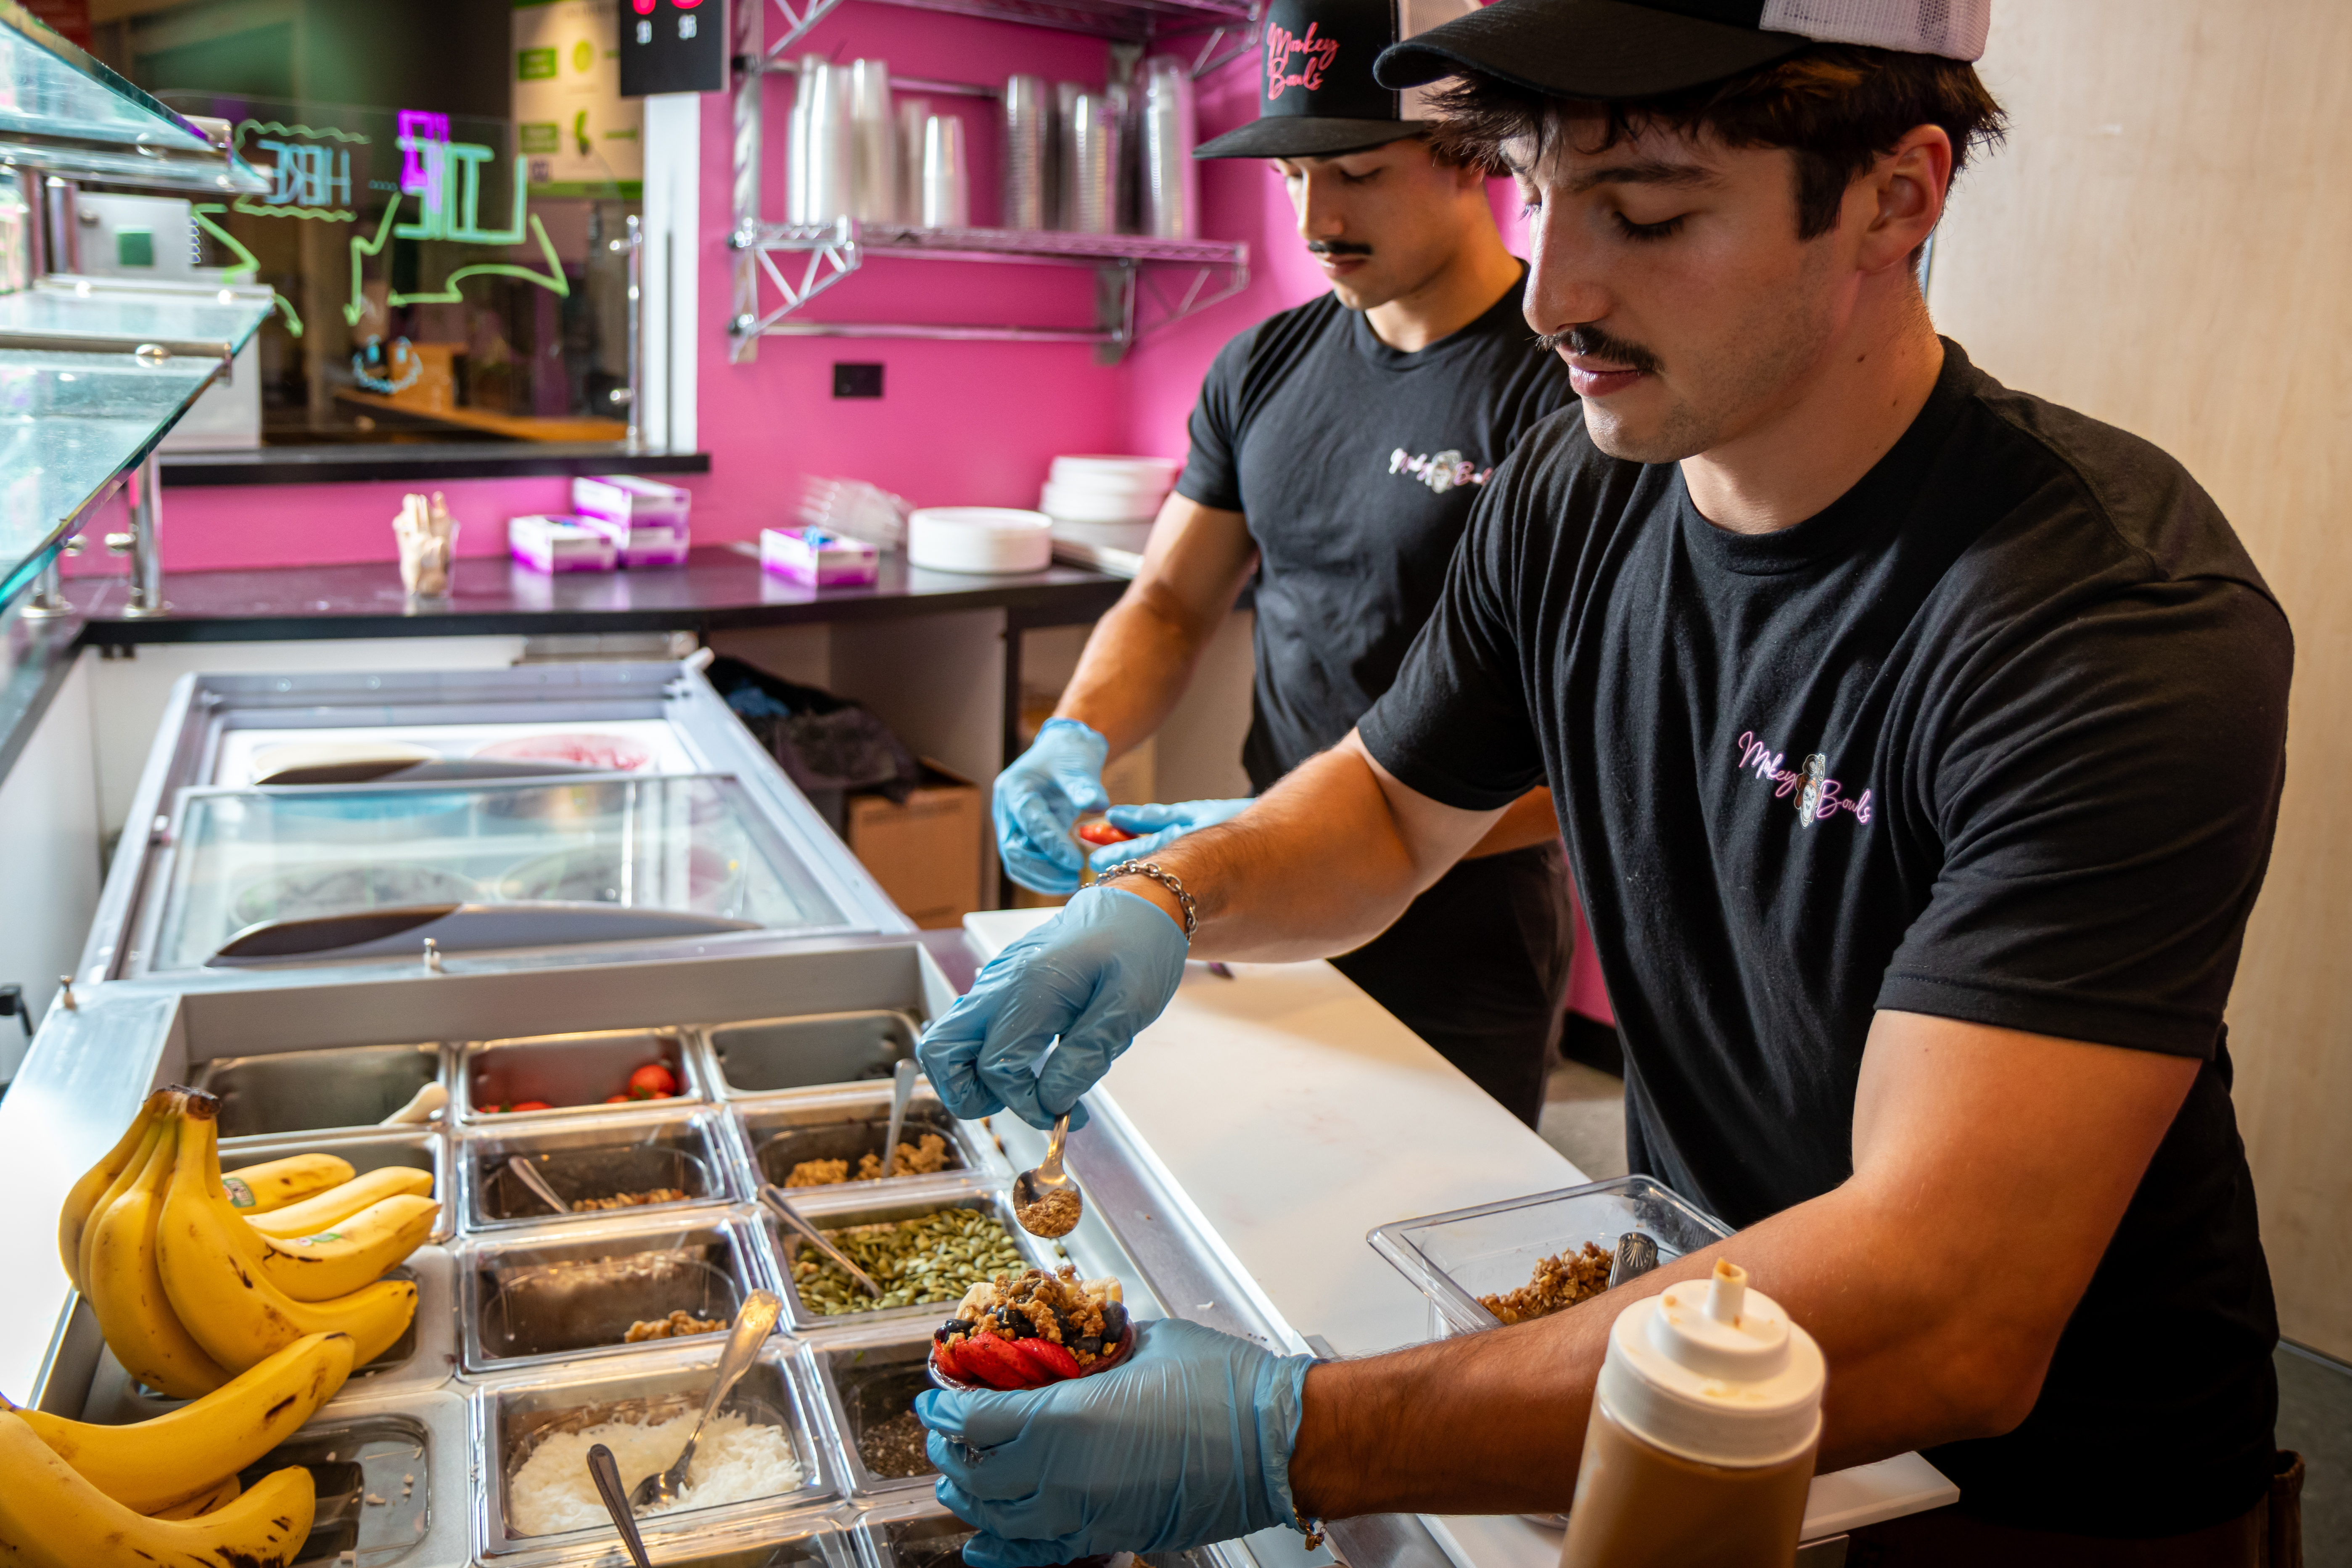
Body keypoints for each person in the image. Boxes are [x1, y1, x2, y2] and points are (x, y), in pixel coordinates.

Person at [916, 0, 2298, 1562]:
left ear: (1896, 197)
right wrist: (1163, 896)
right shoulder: (1588, 483)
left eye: (1648, 212)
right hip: (1693, 1333)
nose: (1559, 290)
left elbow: (1951, 1306)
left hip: (2049, 1486)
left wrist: (1302, 1435)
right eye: (1543, 192)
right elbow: (1385, 805)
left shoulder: (2101, 617)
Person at [991, 0, 1576, 1125]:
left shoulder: (1555, 394)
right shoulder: (1263, 364)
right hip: (1262, 895)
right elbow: (1167, 602)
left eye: (1355, 170)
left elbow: (1590, 753)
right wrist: (1071, 737)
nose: (1316, 219)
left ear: (1468, 159)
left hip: (1462, 925)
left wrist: (1357, 825)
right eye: (1291, 177)